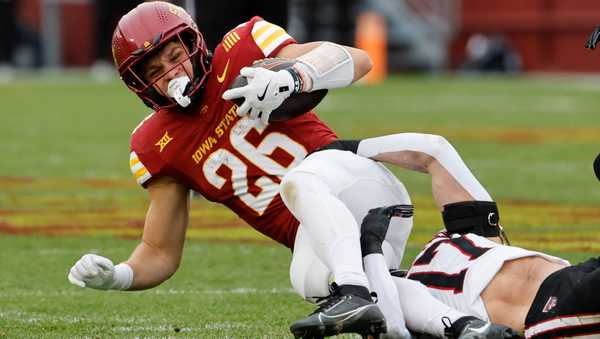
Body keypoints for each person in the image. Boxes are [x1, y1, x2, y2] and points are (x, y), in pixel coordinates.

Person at [66, 3, 518, 337]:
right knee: (309, 280)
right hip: (318, 237)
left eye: (174, 53)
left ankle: (373, 287)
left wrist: (295, 74)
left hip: (356, 183)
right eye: (156, 68)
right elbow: (160, 251)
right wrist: (119, 277)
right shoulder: (154, 144)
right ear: (140, 84)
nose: (173, 70)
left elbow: (358, 59)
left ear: (192, 41)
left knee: (301, 180)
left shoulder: (244, 46)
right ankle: (462, 327)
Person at [337, 135, 600, 338]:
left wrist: (339, 148)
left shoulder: (463, 237)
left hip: (574, 282)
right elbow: (392, 325)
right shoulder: (392, 292)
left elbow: (433, 151)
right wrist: (370, 248)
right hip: (558, 311)